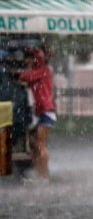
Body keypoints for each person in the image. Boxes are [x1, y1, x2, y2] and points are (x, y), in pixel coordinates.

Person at [18, 46, 55, 181]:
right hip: (39, 112)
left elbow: (25, 76)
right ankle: (39, 173)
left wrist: (18, 74)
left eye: (28, 60)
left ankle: (44, 176)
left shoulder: (43, 70)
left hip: (46, 111)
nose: (26, 63)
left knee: (40, 144)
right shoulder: (39, 70)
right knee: (33, 144)